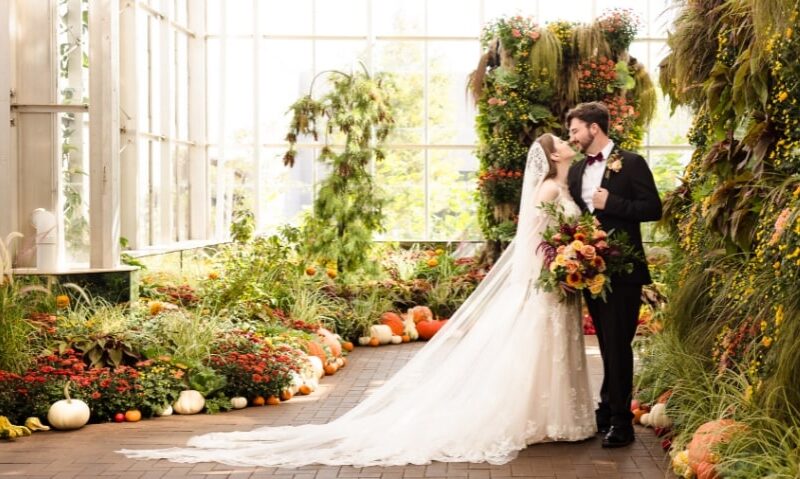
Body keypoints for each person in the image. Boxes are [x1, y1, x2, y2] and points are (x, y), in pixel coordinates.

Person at [120, 133, 595, 468]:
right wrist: (560, 270)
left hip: (560, 284)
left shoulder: (563, 185)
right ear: (552, 157)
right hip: (546, 287)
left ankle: (554, 418)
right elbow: (536, 245)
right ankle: (542, 420)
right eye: (562, 141)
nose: (569, 143)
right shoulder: (551, 189)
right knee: (538, 351)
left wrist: (574, 263)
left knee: (544, 352)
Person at [565, 102, 662, 448]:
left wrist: (614, 205)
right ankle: (607, 409)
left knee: (619, 345)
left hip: (624, 271)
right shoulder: (576, 171)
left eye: (576, 130)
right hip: (590, 271)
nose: (572, 137)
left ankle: (622, 423)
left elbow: (653, 208)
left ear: (595, 128)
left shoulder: (632, 163)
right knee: (607, 344)